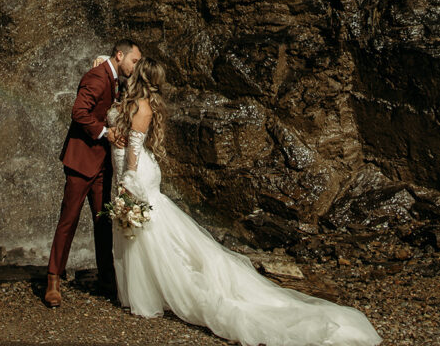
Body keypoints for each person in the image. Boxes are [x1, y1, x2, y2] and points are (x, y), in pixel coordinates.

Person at [106, 57, 381, 346]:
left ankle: (166, 290)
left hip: (137, 173)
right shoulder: (132, 102)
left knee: (150, 232)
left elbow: (134, 149)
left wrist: (128, 184)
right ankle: (157, 288)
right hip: (134, 169)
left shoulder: (141, 107)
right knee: (150, 232)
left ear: (138, 76)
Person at [45, 38, 142, 307]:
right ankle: (53, 277)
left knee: (103, 220)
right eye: (134, 61)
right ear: (120, 56)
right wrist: (105, 132)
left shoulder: (112, 76)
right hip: (81, 162)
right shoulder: (97, 77)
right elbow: (78, 112)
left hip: (102, 163)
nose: (136, 67)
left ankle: (107, 277)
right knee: (69, 219)